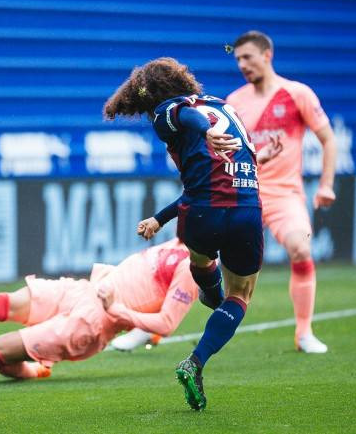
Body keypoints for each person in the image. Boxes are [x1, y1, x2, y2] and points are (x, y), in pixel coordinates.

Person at [103, 57, 264, 411]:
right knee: (241, 296)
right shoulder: (224, 106)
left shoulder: (170, 110)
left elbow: (183, 118)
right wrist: (160, 219)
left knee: (201, 258)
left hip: (204, 213)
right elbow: (212, 175)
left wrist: (204, 130)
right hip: (245, 209)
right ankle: (197, 360)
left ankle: (210, 292)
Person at [0, 238, 199, 380]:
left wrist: (118, 311)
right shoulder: (180, 241)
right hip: (82, 292)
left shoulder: (192, 267)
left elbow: (167, 323)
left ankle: (35, 370)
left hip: (91, 324)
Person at [226, 30, 337, 353]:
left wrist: (326, 184)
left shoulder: (296, 93)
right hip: (244, 191)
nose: (242, 64)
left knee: (301, 248)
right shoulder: (234, 101)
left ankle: (304, 333)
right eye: (237, 60)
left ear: (267, 55)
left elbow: (328, 139)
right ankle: (154, 327)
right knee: (197, 254)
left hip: (283, 195)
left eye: (247, 57)